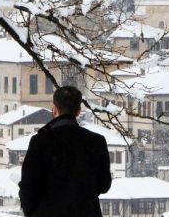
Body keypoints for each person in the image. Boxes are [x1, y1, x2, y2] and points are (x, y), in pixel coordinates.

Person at [19, 85, 112, 217]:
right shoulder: (97, 141)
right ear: (78, 111)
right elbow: (104, 185)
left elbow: (28, 188)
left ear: (54, 109)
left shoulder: (40, 142)